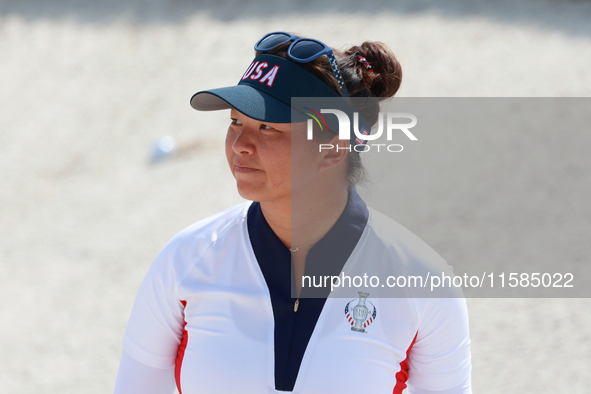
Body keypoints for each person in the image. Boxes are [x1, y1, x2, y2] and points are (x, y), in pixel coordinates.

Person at [113, 32, 472, 394]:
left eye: (267, 126)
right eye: (236, 121)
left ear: (333, 149)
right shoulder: (186, 259)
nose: (240, 145)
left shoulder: (423, 283)